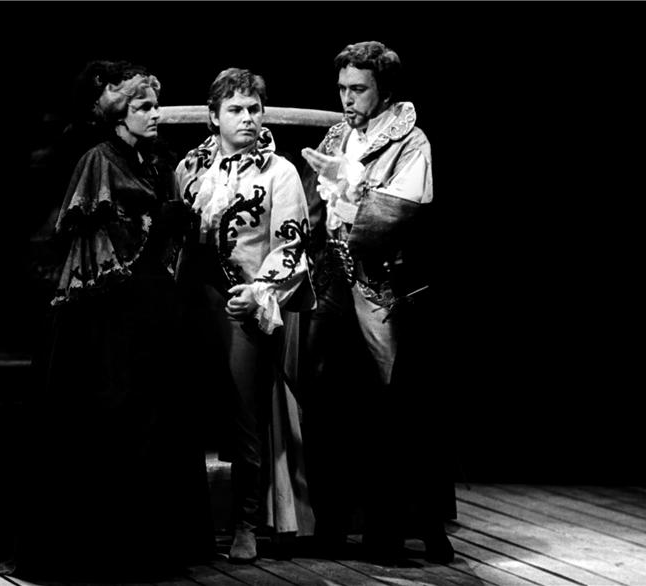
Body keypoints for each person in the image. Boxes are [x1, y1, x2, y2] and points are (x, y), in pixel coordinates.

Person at [0, 60, 215, 580]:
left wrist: (177, 220)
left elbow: (166, 236)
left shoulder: (156, 161)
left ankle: (142, 548)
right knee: (102, 421)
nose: (155, 114)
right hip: (103, 315)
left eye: (155, 105)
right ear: (119, 113)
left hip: (152, 311)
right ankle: (89, 550)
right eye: (144, 107)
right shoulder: (100, 160)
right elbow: (95, 241)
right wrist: (154, 226)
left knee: (149, 424)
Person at [300, 41, 456, 565]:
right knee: (325, 401)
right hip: (334, 280)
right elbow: (315, 212)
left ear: (383, 90)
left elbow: (396, 215)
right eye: (342, 88)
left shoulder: (411, 140)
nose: (347, 99)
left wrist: (350, 187)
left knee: (389, 410)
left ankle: (388, 532)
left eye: (358, 89)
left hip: (382, 285)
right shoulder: (337, 136)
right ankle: (330, 526)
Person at [175, 68, 315, 564]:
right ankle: (183, 524)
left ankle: (246, 524)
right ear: (214, 116)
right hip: (193, 304)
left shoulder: (280, 172)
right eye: (235, 109)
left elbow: (292, 245)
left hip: (244, 304)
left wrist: (259, 293)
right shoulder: (190, 168)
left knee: (244, 419)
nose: (248, 118)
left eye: (254, 108)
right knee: (182, 411)